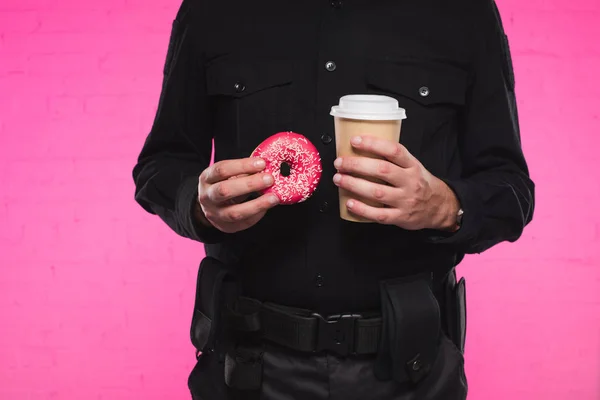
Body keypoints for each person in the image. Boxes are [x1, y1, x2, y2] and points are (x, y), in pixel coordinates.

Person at [132, 0, 535, 398]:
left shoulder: (463, 11)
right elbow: (161, 165)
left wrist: (446, 206)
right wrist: (199, 205)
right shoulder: (213, 10)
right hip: (247, 365)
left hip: (412, 371)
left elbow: (511, 188)